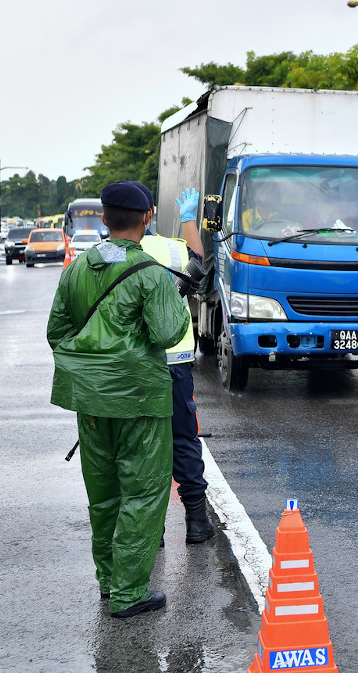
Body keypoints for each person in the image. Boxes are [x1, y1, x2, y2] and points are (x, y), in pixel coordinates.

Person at [47, 181, 190, 618]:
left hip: (90, 403)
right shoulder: (150, 274)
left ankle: (109, 582)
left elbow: (57, 334)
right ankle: (130, 594)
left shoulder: (75, 270)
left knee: (103, 493)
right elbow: (168, 333)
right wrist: (178, 302)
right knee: (144, 493)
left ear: (104, 218)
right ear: (147, 217)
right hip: (140, 401)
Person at [138, 184, 216, 544]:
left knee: (139, 446)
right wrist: (188, 220)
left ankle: (150, 532)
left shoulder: (101, 256)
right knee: (183, 439)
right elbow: (198, 264)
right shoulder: (167, 247)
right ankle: (197, 523)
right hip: (175, 363)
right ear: (150, 214)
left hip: (130, 367)